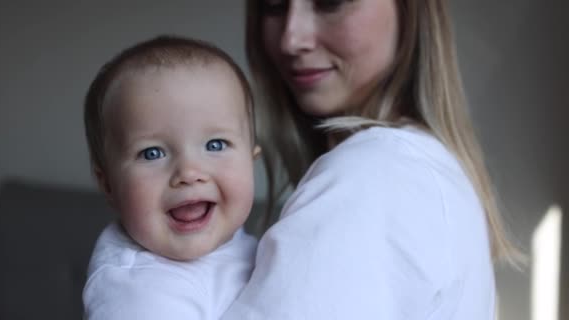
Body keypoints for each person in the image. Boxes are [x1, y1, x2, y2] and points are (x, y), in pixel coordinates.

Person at [220, 0, 522, 319]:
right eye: (274, 6)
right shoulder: (423, 166)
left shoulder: (372, 176)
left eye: (330, 3)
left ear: (411, 10)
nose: (290, 39)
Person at [81, 35, 260, 319]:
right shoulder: (139, 292)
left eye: (215, 145)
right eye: (152, 153)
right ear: (108, 184)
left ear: (251, 161)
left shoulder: (240, 241)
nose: (189, 173)